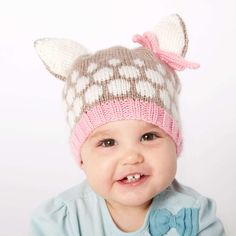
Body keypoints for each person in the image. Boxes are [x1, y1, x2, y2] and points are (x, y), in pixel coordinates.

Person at [30, 14, 225, 236]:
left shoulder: (195, 214)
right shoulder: (60, 221)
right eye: (108, 142)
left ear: (175, 143)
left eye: (148, 137)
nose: (132, 157)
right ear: (82, 158)